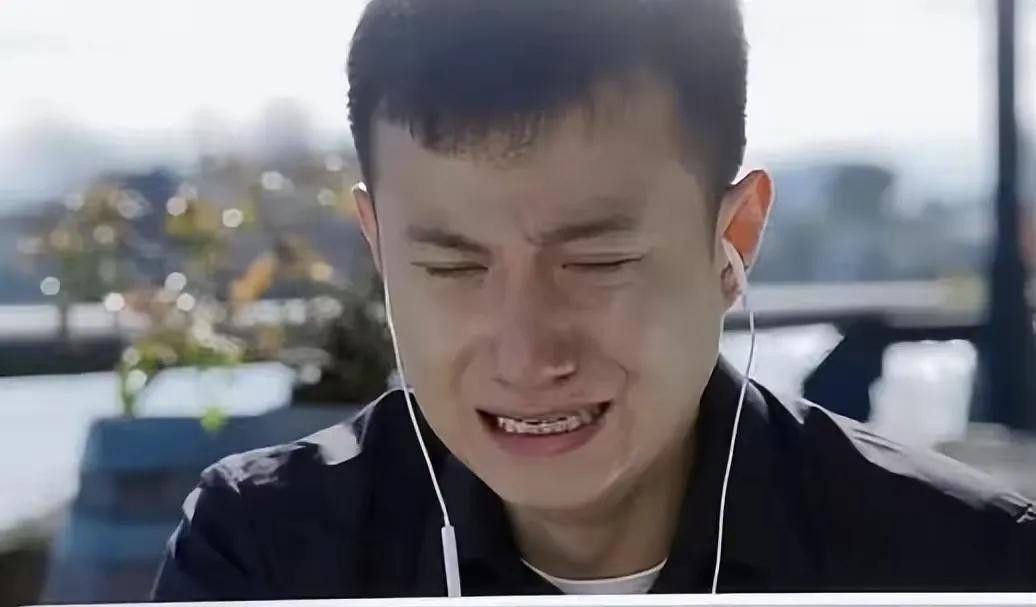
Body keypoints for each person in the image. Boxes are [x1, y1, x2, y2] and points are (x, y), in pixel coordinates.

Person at [152, 0, 1036, 599]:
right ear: (379, 246)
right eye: (452, 267)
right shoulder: (267, 555)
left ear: (733, 239)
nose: (527, 354)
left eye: (597, 261)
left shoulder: (969, 565)